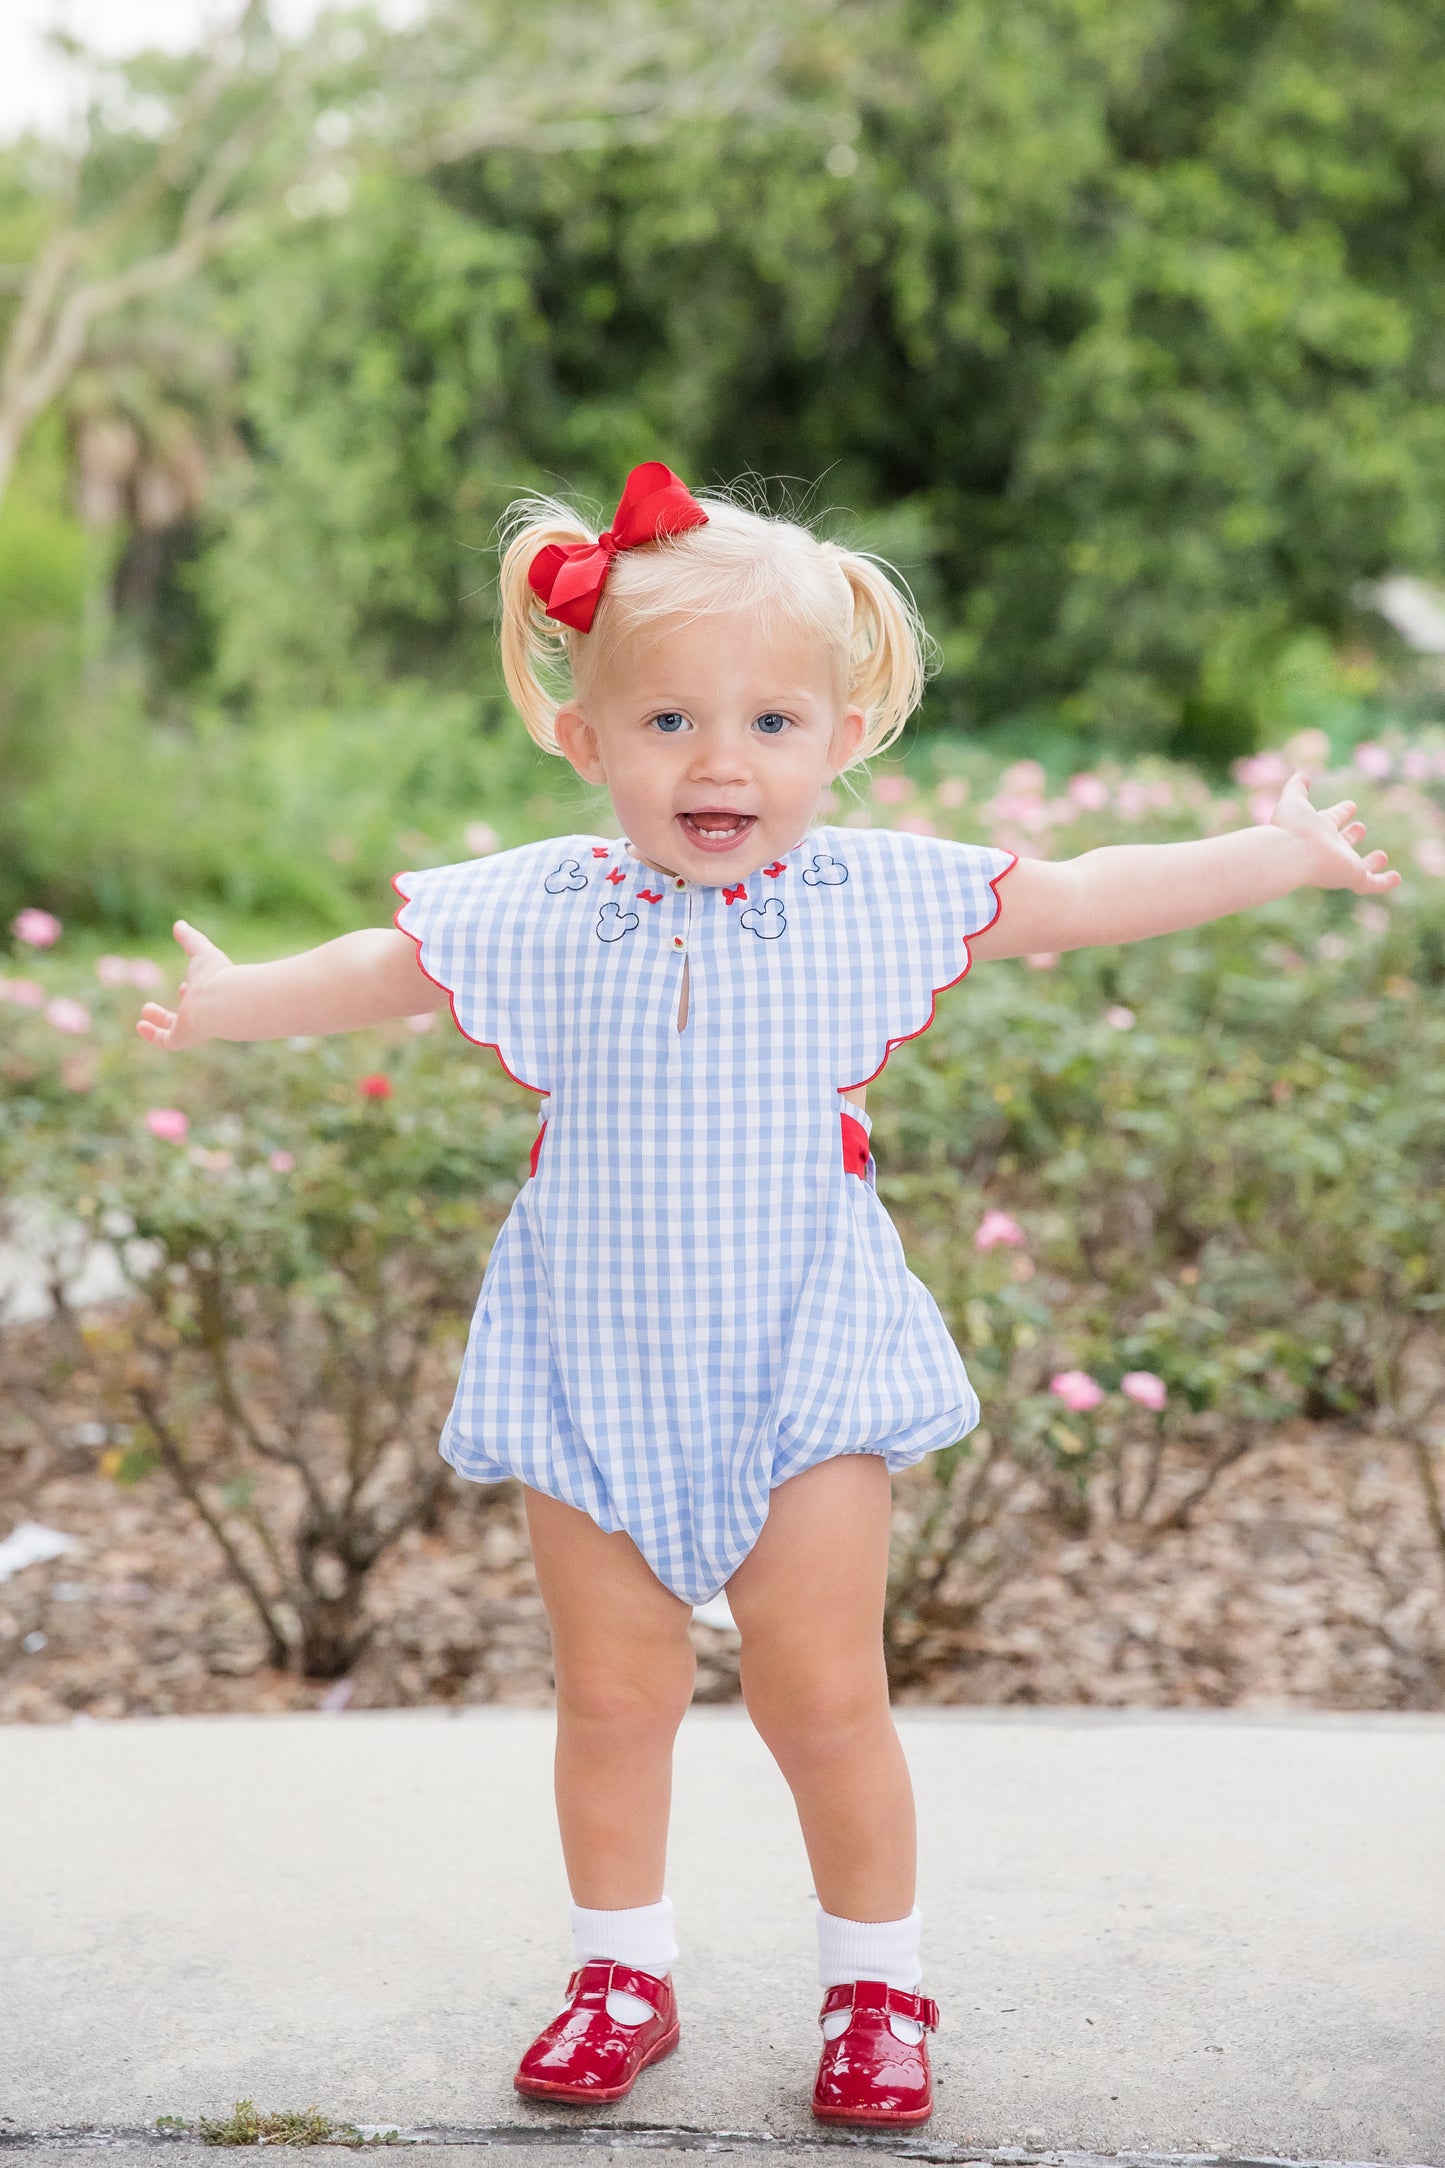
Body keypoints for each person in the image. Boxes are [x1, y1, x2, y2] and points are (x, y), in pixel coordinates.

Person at [135, 462, 1398, 2129]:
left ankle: (876, 1988)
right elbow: (386, 968)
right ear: (586, 740)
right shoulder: (544, 906)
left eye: (770, 723)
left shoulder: (862, 899)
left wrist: (1272, 854)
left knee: (823, 1699)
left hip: (803, 1368)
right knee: (610, 1697)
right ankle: (619, 1972)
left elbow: (1083, 895)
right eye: (665, 720)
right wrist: (233, 1003)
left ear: (842, 731)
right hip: (595, 1375)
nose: (719, 759)